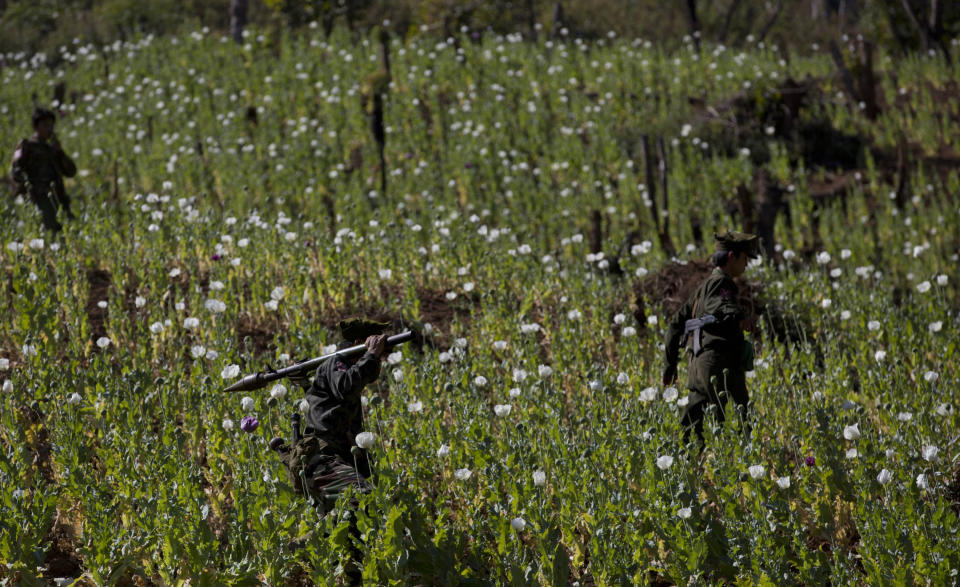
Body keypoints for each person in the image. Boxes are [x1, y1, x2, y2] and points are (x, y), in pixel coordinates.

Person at [662, 231, 759, 443]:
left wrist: (669, 367)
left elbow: (674, 326)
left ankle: (687, 470)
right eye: (744, 258)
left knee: (691, 433)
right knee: (742, 422)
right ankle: (746, 467)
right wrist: (741, 317)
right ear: (731, 256)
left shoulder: (700, 291)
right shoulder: (722, 284)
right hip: (720, 366)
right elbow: (721, 305)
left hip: (697, 367)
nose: (746, 265)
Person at [9, 107, 78, 232]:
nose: (49, 129)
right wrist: (28, 190)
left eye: (51, 126)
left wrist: (60, 152)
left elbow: (71, 171)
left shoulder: (52, 149)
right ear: (35, 127)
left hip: (58, 198)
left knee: (70, 229)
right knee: (48, 233)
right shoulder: (26, 145)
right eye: (45, 125)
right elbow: (15, 170)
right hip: (39, 199)